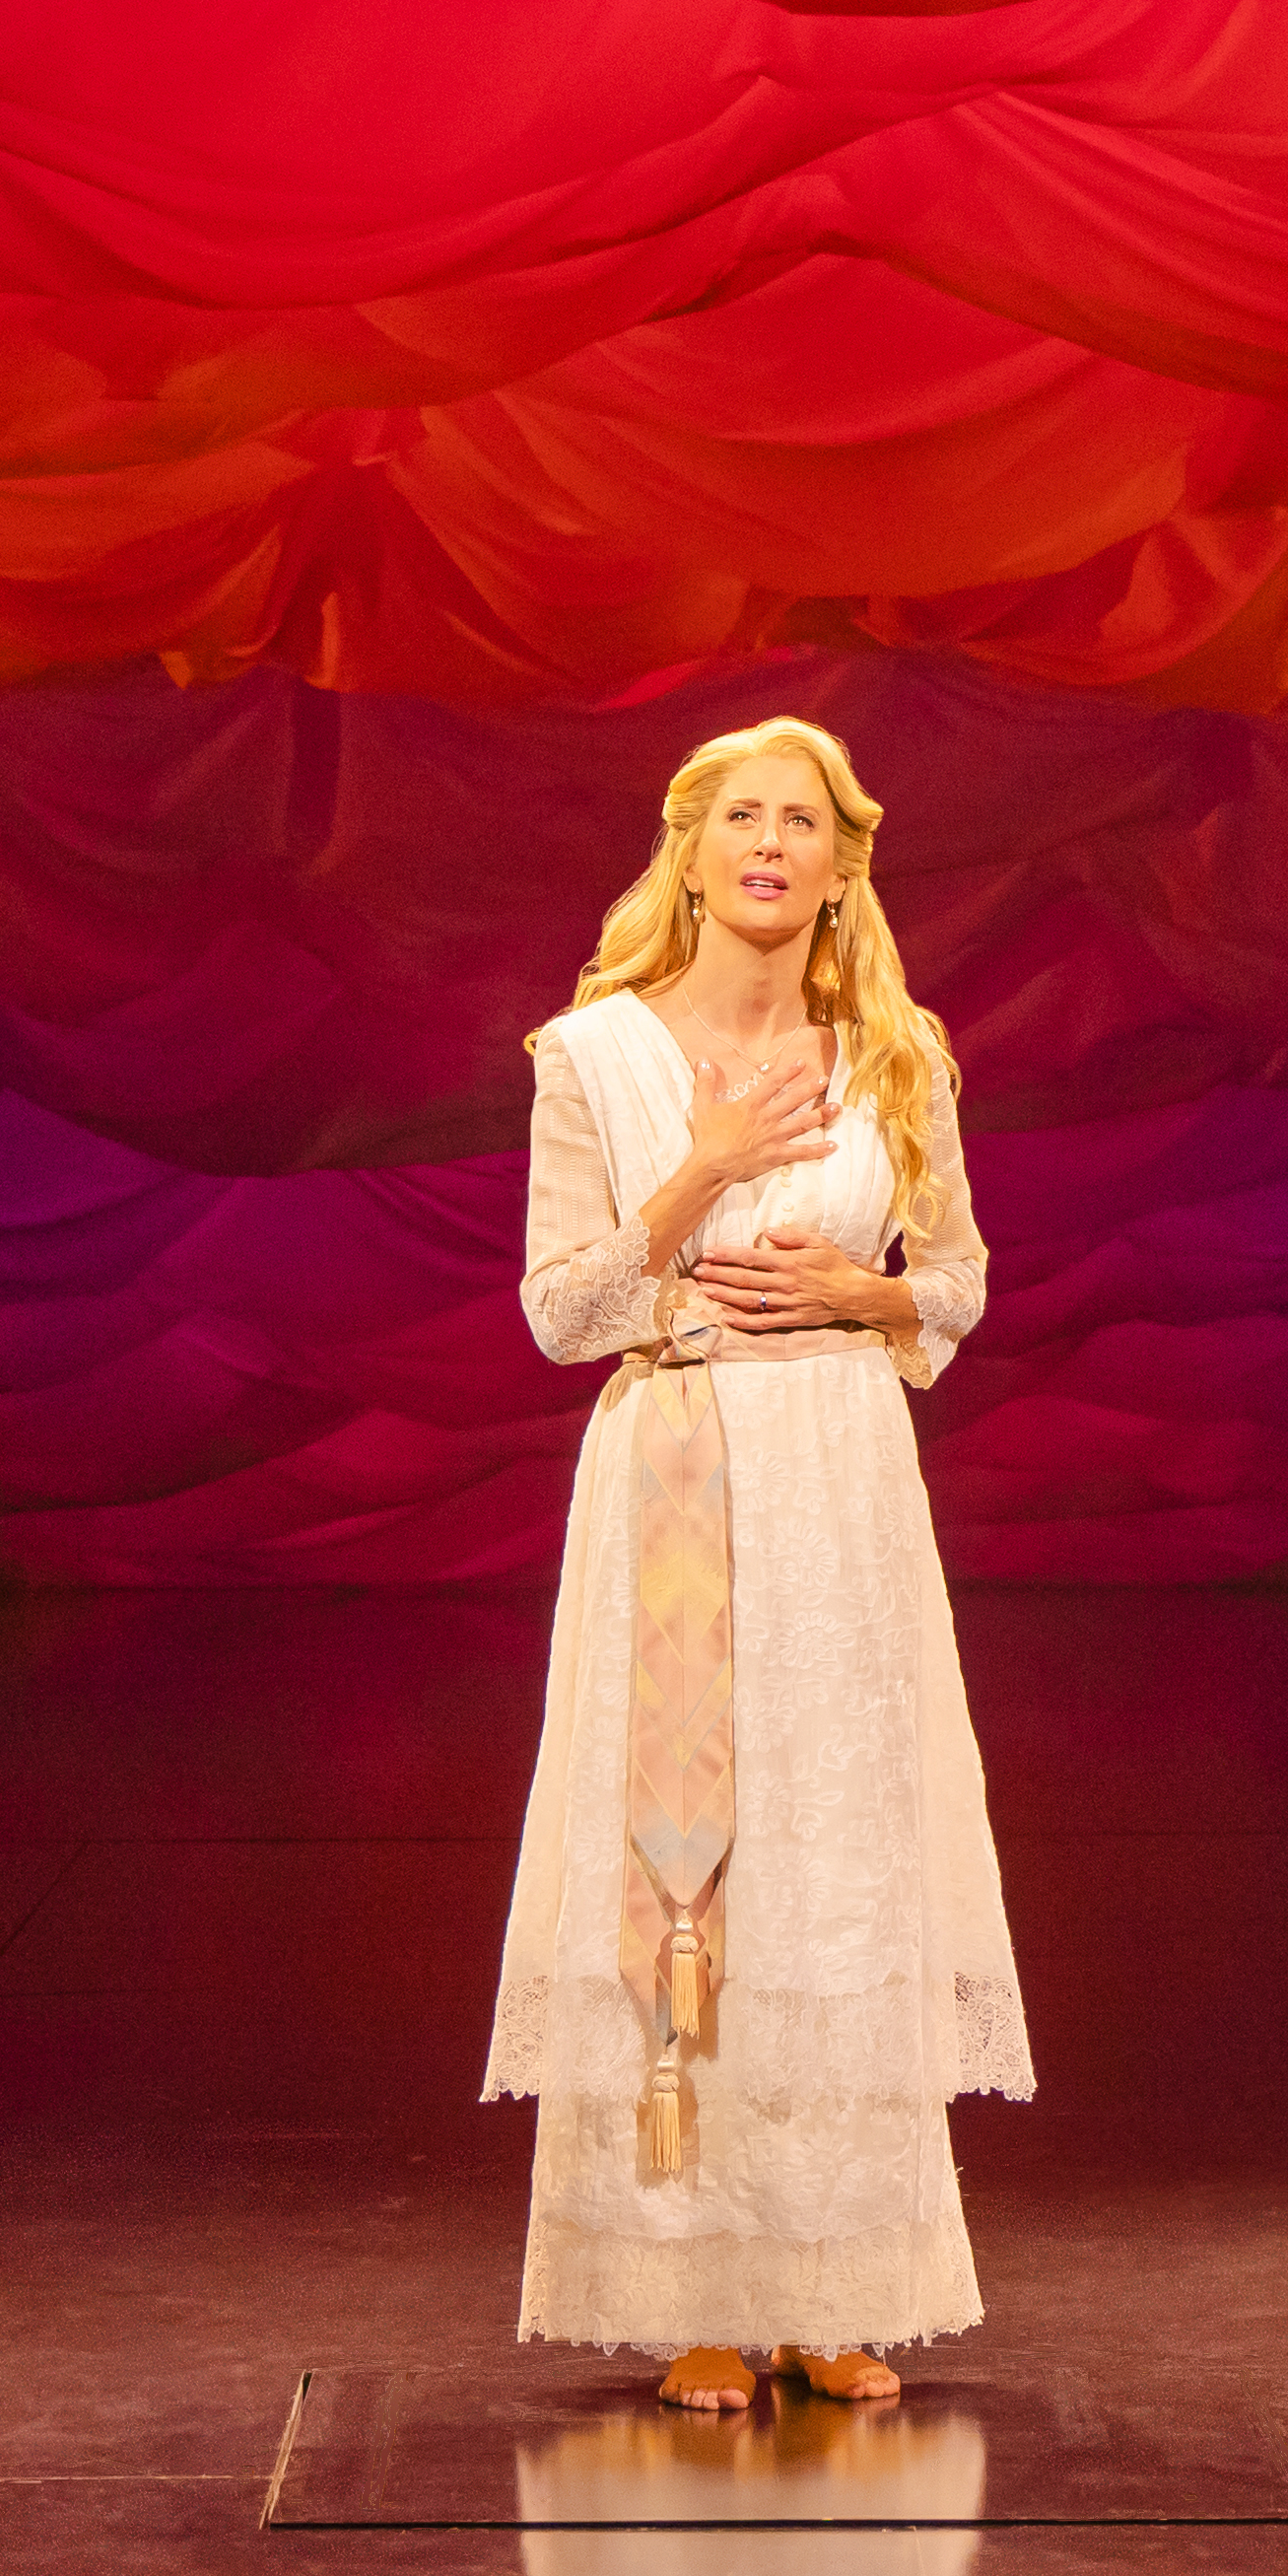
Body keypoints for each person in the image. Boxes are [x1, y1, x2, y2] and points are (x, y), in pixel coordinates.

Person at [482, 716, 1026, 2413]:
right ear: (692, 850)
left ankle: (835, 2286)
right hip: (680, 1478)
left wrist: (857, 1295)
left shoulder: (897, 1060)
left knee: (839, 1861)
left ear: (843, 861)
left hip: (844, 1485)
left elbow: (957, 1283)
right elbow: (563, 1311)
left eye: (805, 821)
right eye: (743, 818)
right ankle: (695, 2290)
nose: (773, 844)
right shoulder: (598, 1057)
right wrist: (709, 1162)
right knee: (690, 1872)